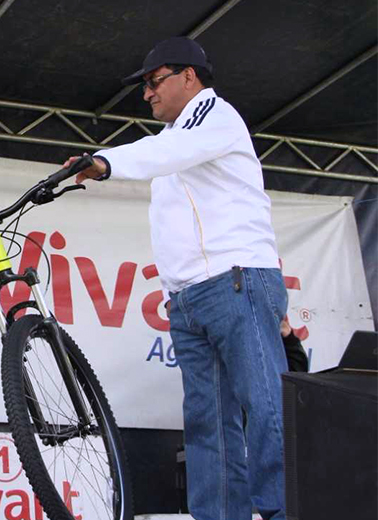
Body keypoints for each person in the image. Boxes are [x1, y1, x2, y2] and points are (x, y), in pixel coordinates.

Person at [67, 37, 288, 520]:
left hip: (236, 281)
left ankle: (284, 511)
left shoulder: (215, 117)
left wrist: (105, 162)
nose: (147, 93)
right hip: (190, 299)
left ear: (189, 76)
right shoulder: (178, 138)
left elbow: (162, 152)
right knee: (208, 427)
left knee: (266, 406)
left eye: (154, 81)